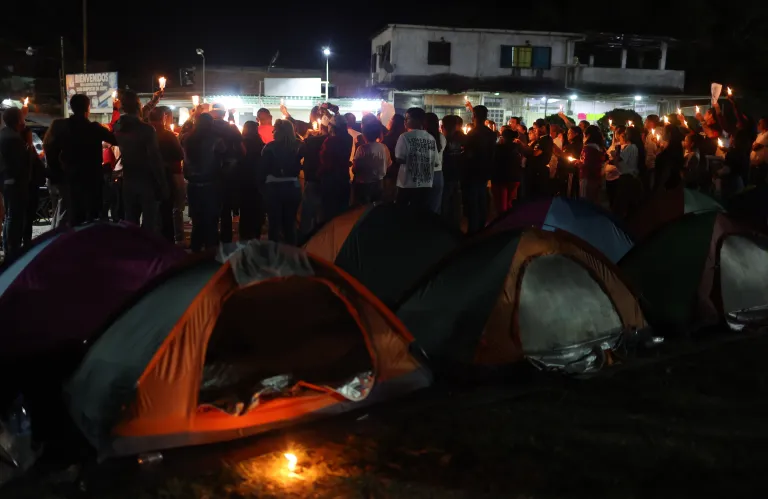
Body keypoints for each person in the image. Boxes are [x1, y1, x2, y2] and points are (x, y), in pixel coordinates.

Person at [43, 93, 117, 226]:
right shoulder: (93, 128)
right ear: (88, 108)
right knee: (92, 216)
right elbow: (115, 139)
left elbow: (50, 149)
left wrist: (57, 170)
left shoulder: (62, 127)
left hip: (71, 176)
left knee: (74, 215)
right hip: (91, 178)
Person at [113, 90, 168, 233]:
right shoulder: (146, 130)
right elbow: (155, 158)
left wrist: (154, 101)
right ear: (138, 106)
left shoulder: (118, 127)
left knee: (131, 222)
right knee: (150, 223)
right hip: (147, 181)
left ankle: (133, 246)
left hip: (128, 179)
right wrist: (162, 183)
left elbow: (137, 117)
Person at [183, 113, 225, 251]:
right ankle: (210, 248)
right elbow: (222, 159)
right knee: (211, 219)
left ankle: (196, 247)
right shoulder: (216, 140)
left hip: (193, 184)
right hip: (210, 184)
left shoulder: (187, 138)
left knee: (197, 218)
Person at [261, 119, 303, 244]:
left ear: (279, 132)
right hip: (293, 187)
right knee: (290, 224)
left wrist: (262, 188)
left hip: (274, 188)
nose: (273, 132)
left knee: (274, 225)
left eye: (274, 130)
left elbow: (263, 170)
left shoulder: (269, 148)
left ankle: (274, 252)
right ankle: (291, 251)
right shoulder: (299, 146)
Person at [210, 103, 245, 244]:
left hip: (210, 171)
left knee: (211, 206)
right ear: (224, 114)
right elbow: (242, 150)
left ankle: (211, 239)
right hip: (230, 170)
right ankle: (226, 237)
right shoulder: (231, 128)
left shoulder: (206, 128)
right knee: (226, 206)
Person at [149, 107, 185, 244]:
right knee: (169, 210)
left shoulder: (145, 134)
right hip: (168, 176)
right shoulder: (168, 135)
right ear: (163, 118)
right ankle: (169, 241)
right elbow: (180, 155)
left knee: (152, 212)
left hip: (149, 177)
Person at [0, 108, 32, 262]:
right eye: (22, 118)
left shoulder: (4, 134)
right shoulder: (13, 139)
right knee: (14, 217)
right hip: (15, 182)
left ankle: (8, 248)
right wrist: (28, 147)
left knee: (10, 216)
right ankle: (12, 250)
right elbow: (21, 164)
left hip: (7, 181)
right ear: (18, 120)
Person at [394, 107, 438, 209]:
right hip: (426, 183)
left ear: (417, 120)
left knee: (402, 211)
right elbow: (435, 162)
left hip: (407, 183)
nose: (405, 121)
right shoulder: (431, 138)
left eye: (407, 118)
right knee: (419, 212)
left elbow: (399, 158)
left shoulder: (404, 137)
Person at [319, 114, 353, 222]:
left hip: (331, 181)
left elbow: (325, 160)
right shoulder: (349, 138)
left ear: (333, 127)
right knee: (342, 212)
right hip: (344, 178)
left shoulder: (330, 141)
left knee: (329, 213)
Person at [299, 119, 328, 238]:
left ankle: (305, 238)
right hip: (327, 180)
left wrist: (307, 137)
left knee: (308, 212)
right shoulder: (336, 140)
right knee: (322, 212)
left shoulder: (310, 141)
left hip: (312, 179)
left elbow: (300, 154)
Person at [239, 121, 265, 241]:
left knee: (245, 209)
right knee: (257, 208)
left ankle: (245, 234)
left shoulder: (241, 143)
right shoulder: (261, 144)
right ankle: (256, 233)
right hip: (258, 180)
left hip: (244, 179)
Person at [351, 121, 390, 205]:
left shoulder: (361, 149)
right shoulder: (384, 147)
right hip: (379, 183)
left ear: (364, 134)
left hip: (364, 185)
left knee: (363, 208)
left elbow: (355, 169)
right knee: (376, 207)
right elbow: (388, 164)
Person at [610, 126, 644, 219]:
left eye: (626, 133)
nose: (624, 134)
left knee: (620, 206)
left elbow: (618, 160)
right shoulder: (635, 147)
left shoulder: (630, 147)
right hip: (630, 178)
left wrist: (615, 154)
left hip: (626, 179)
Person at [516, 118, 553, 201]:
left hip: (539, 171)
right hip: (533, 170)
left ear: (542, 128)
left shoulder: (546, 139)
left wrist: (522, 146)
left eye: (535, 128)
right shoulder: (539, 139)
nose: (534, 131)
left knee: (536, 197)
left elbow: (535, 153)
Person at [491, 128, 523, 214]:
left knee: (501, 205)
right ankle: (509, 217)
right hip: (515, 177)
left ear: (503, 137)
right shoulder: (517, 147)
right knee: (509, 202)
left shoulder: (499, 148)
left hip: (502, 178)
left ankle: (503, 219)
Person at [441, 115, 464, 230]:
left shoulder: (441, 140)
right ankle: (455, 229)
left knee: (445, 204)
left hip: (445, 176)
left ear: (442, 126)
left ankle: (444, 229)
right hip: (458, 175)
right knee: (456, 205)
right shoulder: (462, 139)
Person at [576, 125, 605, 205]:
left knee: (585, 202)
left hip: (587, 178)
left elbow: (587, 164)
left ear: (588, 135)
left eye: (584, 135)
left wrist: (579, 163)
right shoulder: (599, 148)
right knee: (593, 201)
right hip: (596, 178)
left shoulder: (588, 148)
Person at [424, 113, 446, 214]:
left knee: (424, 205)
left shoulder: (423, 137)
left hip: (425, 173)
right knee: (436, 206)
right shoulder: (442, 137)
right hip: (438, 174)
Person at [750, 117, 768, 185]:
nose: (758, 124)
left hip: (762, 166)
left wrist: (754, 145)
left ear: (766, 123)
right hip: (754, 165)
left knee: (759, 184)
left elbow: (755, 147)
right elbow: (753, 146)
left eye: (760, 123)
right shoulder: (759, 135)